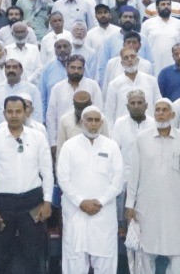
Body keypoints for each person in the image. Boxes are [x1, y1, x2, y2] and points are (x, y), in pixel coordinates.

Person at [125, 97, 180, 274]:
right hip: (146, 206)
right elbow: (134, 174)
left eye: (165, 110)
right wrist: (129, 205)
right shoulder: (142, 138)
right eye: (158, 110)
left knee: (178, 250)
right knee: (146, 251)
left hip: (175, 207)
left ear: (172, 114)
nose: (161, 113)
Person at [58, 105, 124, 274]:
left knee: (105, 263)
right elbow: (63, 179)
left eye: (97, 121)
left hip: (103, 214)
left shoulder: (111, 147)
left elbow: (117, 181)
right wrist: (81, 202)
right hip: (76, 213)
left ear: (101, 123)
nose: (93, 124)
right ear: (82, 122)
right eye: (89, 120)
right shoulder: (69, 146)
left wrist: (99, 202)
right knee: (75, 262)